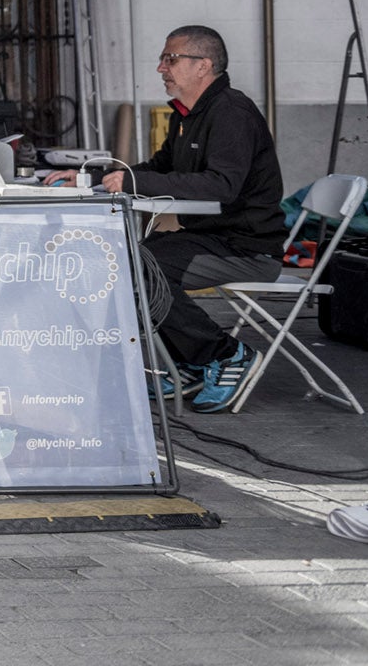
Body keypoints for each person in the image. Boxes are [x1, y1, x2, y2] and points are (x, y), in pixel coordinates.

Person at [49, 25, 282, 413]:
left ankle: (227, 355)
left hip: (245, 246)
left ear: (203, 65)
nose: (161, 68)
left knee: (140, 270)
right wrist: (93, 177)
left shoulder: (231, 113)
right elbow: (160, 167)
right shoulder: (185, 115)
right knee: (119, 264)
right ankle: (191, 364)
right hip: (207, 237)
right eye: (163, 59)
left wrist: (134, 180)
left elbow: (222, 186)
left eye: (170, 59)